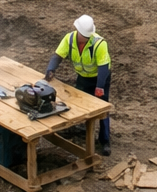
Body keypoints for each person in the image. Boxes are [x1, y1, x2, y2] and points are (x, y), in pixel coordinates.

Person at [45, 15, 112, 155]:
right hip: (83, 77)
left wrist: (100, 87)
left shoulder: (99, 44)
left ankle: (105, 141)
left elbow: (103, 68)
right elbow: (58, 56)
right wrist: (51, 69)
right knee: (77, 102)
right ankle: (81, 127)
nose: (86, 38)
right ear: (77, 31)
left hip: (100, 78)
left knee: (102, 108)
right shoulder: (69, 39)